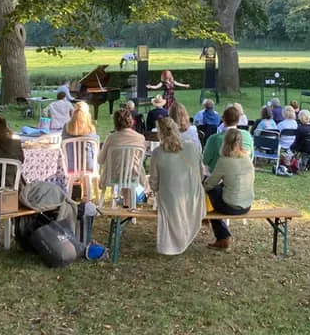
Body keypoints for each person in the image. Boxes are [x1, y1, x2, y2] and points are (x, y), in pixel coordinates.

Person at [149, 118, 206, 255]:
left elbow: (154, 183)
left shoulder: (157, 153)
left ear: (160, 134)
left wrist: (157, 190)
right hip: (194, 197)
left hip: (173, 199)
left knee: (168, 196)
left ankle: (173, 241)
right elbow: (201, 173)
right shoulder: (192, 146)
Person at [203, 128, 254, 251]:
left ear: (225, 142)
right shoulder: (247, 158)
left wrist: (202, 184)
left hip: (231, 206)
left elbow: (210, 184)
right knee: (218, 190)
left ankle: (222, 237)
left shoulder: (224, 161)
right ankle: (222, 236)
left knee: (211, 191)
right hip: (247, 205)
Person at [98, 106, 147, 190]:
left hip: (113, 176)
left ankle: (124, 200)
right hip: (134, 175)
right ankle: (127, 201)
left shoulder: (111, 138)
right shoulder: (140, 138)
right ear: (131, 121)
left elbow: (100, 160)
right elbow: (141, 159)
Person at [203, 104, 253, 173]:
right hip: (241, 174)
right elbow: (251, 157)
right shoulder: (247, 135)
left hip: (218, 176)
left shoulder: (213, 139)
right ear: (238, 119)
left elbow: (205, 160)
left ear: (223, 118)